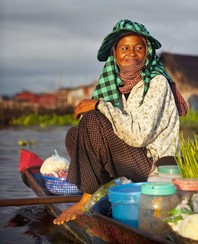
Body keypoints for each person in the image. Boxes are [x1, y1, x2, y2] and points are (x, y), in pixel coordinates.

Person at [53, 19, 188, 225]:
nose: (131, 53)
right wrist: (102, 108)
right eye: (125, 48)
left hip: (153, 169)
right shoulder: (118, 86)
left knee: (93, 118)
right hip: (133, 160)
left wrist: (101, 106)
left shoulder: (156, 82)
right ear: (115, 54)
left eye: (138, 48)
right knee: (75, 133)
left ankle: (86, 200)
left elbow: (139, 136)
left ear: (147, 52)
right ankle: (103, 187)